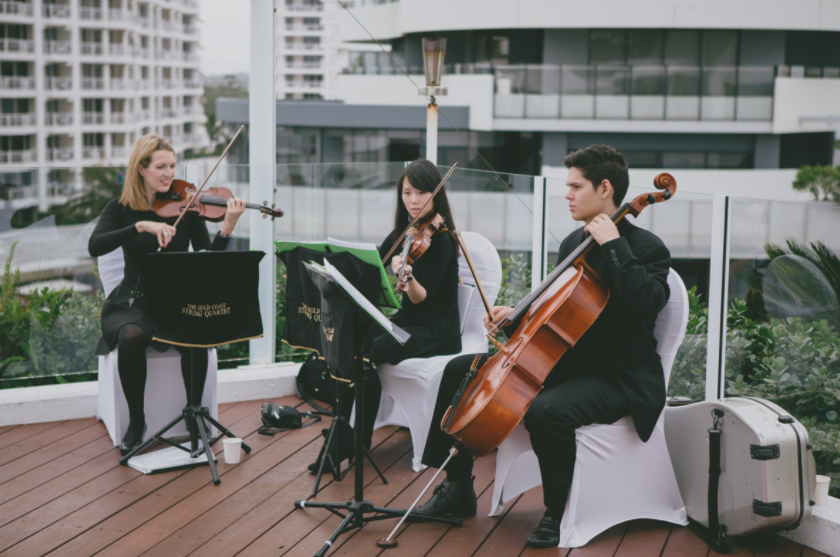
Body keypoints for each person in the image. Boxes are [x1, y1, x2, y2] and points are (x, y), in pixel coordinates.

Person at [413, 144, 672, 548]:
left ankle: (556, 510)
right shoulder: (574, 241)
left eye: (575, 186)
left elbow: (649, 301)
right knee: (460, 369)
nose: (567, 194)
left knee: (546, 410)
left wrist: (614, 244)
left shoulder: (646, 247)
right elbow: (557, 308)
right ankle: (457, 487)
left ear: (605, 188)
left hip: (618, 376)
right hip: (565, 362)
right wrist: (513, 314)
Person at [88, 134, 247, 456]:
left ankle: (193, 414)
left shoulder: (188, 208)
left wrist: (227, 227)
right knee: (131, 336)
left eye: (172, 166)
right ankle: (137, 421)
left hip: (175, 298)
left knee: (197, 329)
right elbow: (96, 245)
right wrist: (141, 227)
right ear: (141, 169)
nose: (169, 173)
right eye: (160, 166)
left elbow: (207, 260)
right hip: (133, 300)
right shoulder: (120, 208)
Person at [309, 159, 463, 472]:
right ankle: (350, 437)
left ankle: (352, 439)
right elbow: (373, 266)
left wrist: (408, 279)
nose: (414, 200)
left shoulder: (442, 239)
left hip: (434, 330)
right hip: (407, 324)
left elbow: (422, 299)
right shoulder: (405, 231)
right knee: (352, 344)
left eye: (421, 192)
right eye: (407, 192)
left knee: (369, 352)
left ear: (436, 194)